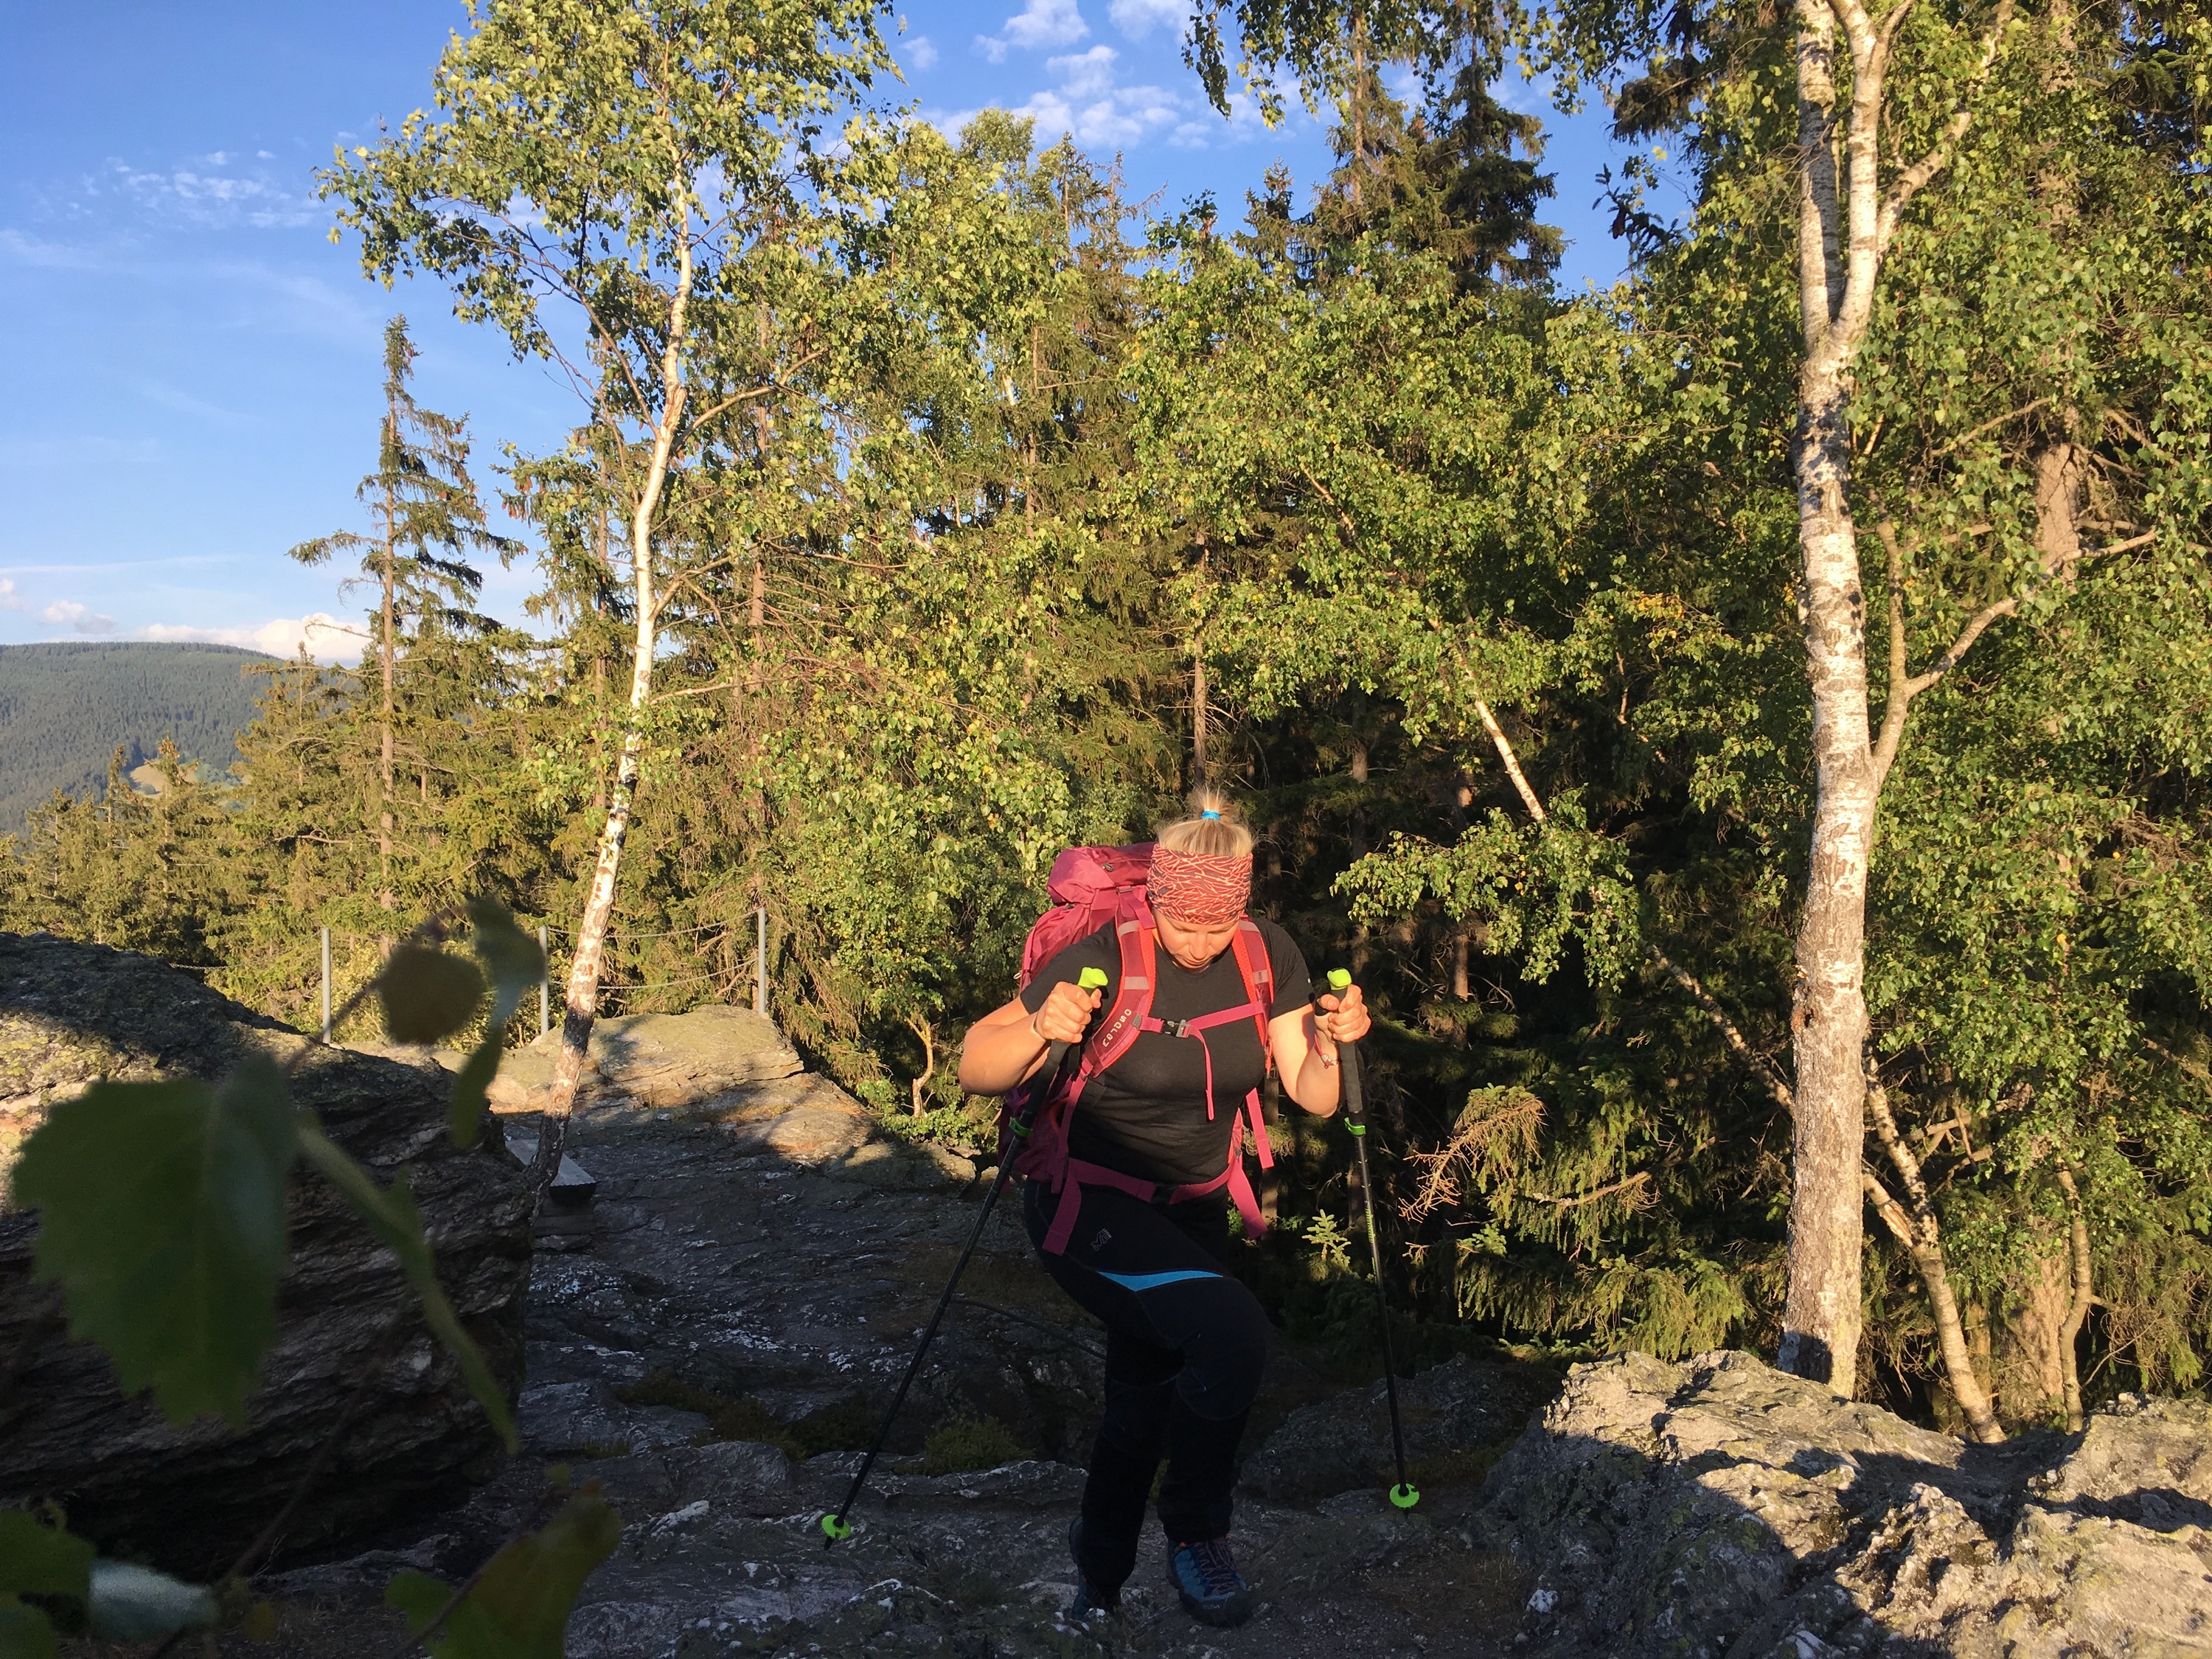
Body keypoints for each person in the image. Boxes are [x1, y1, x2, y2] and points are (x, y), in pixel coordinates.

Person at [956, 789, 1371, 1628]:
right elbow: (976, 1066)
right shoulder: (1107, 955)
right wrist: (1042, 1025)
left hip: (1196, 1207)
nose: (1201, 942)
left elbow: (1314, 1094)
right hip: (1088, 1208)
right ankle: (1197, 1533)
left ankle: (1099, 1574)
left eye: (1219, 925)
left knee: (1143, 1394)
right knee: (1233, 1332)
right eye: (1185, 924)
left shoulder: (1266, 954)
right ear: (1157, 900)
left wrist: (1335, 1043)